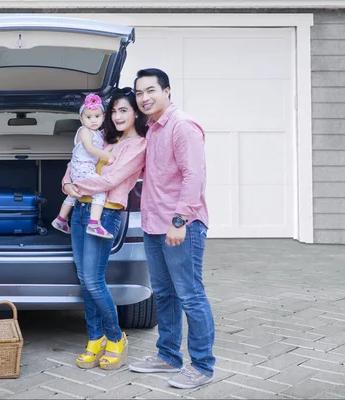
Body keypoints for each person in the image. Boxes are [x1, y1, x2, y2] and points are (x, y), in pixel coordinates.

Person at [127, 68, 216, 390]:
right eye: (139, 93)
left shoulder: (182, 126)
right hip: (153, 224)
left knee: (190, 295)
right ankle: (167, 356)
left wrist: (180, 221)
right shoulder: (151, 129)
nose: (144, 98)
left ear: (167, 91)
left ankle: (202, 366)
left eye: (151, 90)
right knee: (163, 294)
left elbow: (194, 177)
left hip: (181, 225)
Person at [61, 87, 148, 370]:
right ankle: (94, 338)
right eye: (114, 111)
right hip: (80, 212)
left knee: (94, 279)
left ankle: (115, 338)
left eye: (124, 110)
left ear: (136, 112)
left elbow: (111, 179)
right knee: (84, 279)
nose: (117, 116)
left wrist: (77, 187)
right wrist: (66, 184)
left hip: (105, 214)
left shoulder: (138, 146)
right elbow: (76, 162)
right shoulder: (103, 138)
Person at [51, 94, 116, 239]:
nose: (93, 120)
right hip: (83, 169)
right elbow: (90, 148)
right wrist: (108, 156)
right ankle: (94, 224)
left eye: (97, 116)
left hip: (80, 170)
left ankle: (61, 219)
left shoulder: (98, 133)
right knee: (100, 193)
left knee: (73, 194)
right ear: (81, 119)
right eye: (88, 117)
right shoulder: (84, 131)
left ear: (104, 117)